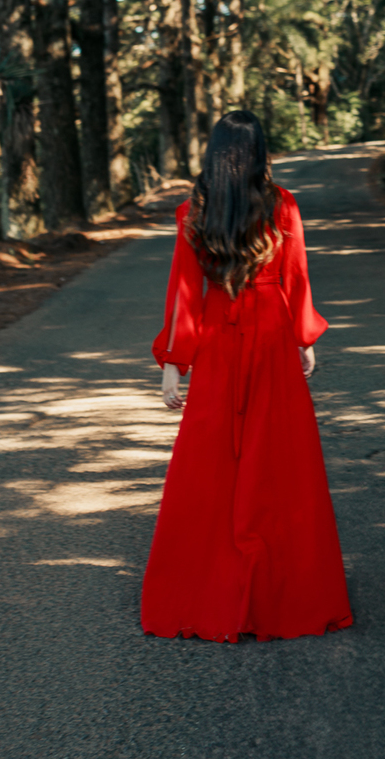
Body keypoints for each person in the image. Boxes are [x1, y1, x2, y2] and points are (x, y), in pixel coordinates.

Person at [141, 109, 353, 642]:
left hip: (215, 339)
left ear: (214, 153)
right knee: (277, 464)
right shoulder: (283, 206)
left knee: (212, 465)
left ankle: (203, 592)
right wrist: (303, 337)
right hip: (270, 333)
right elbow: (297, 275)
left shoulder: (195, 211)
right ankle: (284, 595)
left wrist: (174, 363)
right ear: (259, 153)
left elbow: (185, 291)